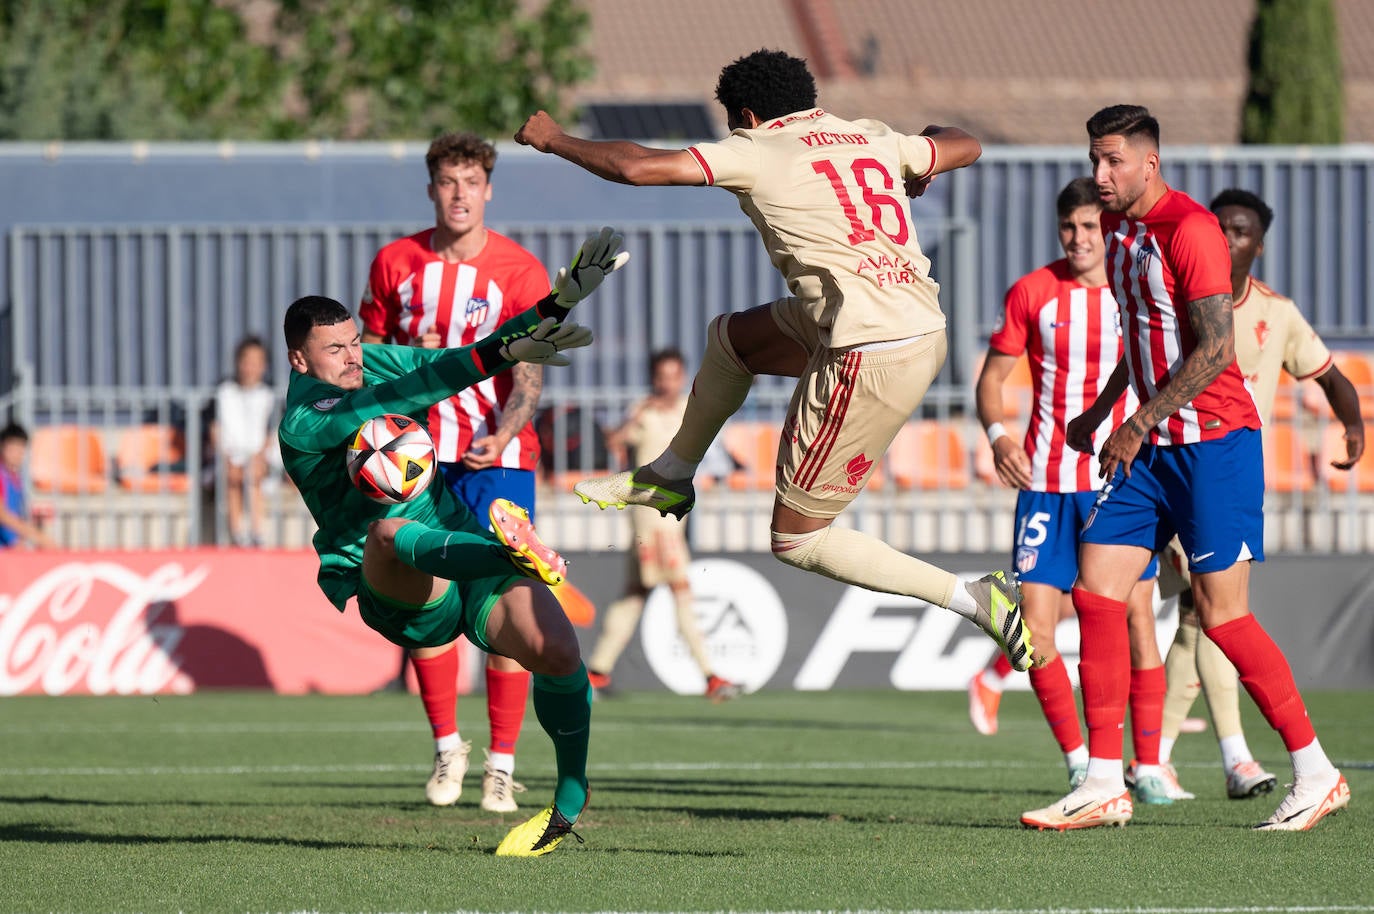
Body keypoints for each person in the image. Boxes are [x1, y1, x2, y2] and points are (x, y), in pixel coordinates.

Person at [515, 49, 1035, 673]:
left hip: (869, 348)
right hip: (901, 320)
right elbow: (965, 142)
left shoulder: (758, 147)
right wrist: (921, 159)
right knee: (731, 340)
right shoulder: (865, 135)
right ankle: (672, 473)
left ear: (750, 115)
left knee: (797, 538)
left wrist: (551, 138)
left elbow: (636, 166)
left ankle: (976, 598)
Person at [1021, 105, 1349, 832]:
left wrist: (1133, 422)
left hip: (1214, 446)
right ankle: (1105, 782)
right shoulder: (1120, 228)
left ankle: (1316, 771)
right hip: (1151, 447)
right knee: (1097, 593)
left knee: (1222, 617)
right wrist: (1106, 407)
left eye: (1112, 162)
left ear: (1149, 162)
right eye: (1094, 161)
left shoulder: (1190, 229)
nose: (1099, 176)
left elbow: (1214, 350)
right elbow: (1144, 342)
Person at [276, 226, 629, 857]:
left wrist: (552, 308)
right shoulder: (305, 419)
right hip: (396, 586)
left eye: (356, 341)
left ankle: (570, 797)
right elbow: (410, 393)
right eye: (335, 350)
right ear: (300, 361)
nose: (354, 357)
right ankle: (507, 552)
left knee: (556, 650)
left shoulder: (365, 360)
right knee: (387, 530)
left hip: (456, 539)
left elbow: (452, 360)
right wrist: (496, 354)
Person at [359, 132, 559, 815]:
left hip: (496, 461)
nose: (459, 194)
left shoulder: (520, 272)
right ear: (431, 188)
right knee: (425, 602)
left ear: (489, 189)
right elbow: (371, 362)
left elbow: (528, 373)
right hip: (415, 462)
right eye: (448, 181)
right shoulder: (395, 263)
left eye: (471, 181)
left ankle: (501, 766)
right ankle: (449, 746)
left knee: (500, 605)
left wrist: (504, 428)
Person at [969, 177, 1179, 803]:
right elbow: (992, 379)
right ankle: (1080, 760)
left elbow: (1162, 377)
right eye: (1070, 227)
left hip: (1120, 481)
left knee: (1137, 617)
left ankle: (1148, 765)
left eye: (1090, 226)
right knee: (1035, 632)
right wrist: (1000, 433)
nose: (1080, 238)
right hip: (1046, 482)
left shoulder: (1134, 289)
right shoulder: (1034, 291)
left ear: (1107, 227)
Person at [1152, 188, 1366, 800]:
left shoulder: (1277, 312)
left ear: (1258, 244)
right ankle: (1194, 758)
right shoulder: (1176, 296)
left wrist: (1352, 427)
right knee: (1186, 610)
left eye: (1240, 231)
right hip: (1171, 466)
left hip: (1226, 476)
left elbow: (1330, 376)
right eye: (1218, 227)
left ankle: (1169, 757)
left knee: (1199, 614)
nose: (1227, 239)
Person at [585, 347, 742, 702]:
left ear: (682, 377)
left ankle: (595, 673)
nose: (667, 383)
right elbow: (614, 442)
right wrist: (635, 416)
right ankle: (710, 676)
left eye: (673, 376)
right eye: (661, 377)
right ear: (654, 378)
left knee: (634, 594)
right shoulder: (645, 412)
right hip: (652, 517)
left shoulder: (690, 409)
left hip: (673, 515)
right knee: (681, 590)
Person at [213, 335, 277, 548]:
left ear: (264, 365)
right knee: (232, 476)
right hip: (230, 457)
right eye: (247, 361)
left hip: (260, 459)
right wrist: (224, 456)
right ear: (238, 363)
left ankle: (257, 532)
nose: (251, 368)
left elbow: (271, 434)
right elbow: (215, 429)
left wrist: (260, 457)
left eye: (256, 362)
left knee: (253, 475)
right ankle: (237, 534)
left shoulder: (270, 395)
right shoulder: (223, 392)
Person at [0, 422, 57, 549]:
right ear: (3, 447)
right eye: (13, 448)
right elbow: (2, 515)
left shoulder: (15, 478)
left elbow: (15, 513)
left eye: (21, 448)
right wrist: (36, 536)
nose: (18, 453)